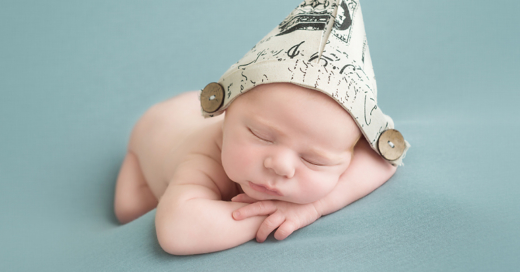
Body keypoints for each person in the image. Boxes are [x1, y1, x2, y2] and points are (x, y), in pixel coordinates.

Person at [114, 0, 409, 255]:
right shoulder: (204, 155)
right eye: (261, 136)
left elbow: (384, 159)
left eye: (314, 159)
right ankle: (135, 162)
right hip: (156, 126)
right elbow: (177, 230)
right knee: (129, 209)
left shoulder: (329, 134)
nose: (280, 165)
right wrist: (269, 215)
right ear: (226, 115)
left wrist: (312, 208)